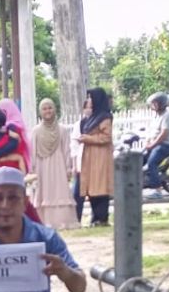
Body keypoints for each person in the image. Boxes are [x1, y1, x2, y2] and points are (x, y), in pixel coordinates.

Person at [32, 98, 76, 229]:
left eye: (50, 108)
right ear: (40, 112)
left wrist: (68, 168)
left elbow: (67, 150)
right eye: (44, 109)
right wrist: (32, 170)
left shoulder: (62, 130)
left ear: (54, 109)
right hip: (42, 167)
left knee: (59, 191)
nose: (48, 111)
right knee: (44, 191)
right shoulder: (36, 131)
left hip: (59, 167)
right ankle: (45, 221)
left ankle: (62, 221)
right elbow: (33, 151)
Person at [78, 87, 114, 225]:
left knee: (100, 187)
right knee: (91, 188)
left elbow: (106, 137)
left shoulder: (105, 117)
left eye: (91, 98)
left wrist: (88, 138)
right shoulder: (92, 117)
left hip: (100, 158)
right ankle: (96, 217)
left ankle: (102, 218)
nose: (89, 101)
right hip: (90, 157)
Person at [142, 92, 169, 200]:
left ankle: (157, 191)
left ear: (161, 104)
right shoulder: (157, 116)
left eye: (155, 103)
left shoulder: (167, 116)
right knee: (139, 160)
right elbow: (152, 132)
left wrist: (152, 144)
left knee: (151, 163)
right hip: (154, 145)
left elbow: (163, 134)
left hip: (163, 145)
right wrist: (147, 141)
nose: (152, 106)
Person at [70, 103, 89, 224]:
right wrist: (74, 165)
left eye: (92, 107)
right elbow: (74, 146)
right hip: (81, 162)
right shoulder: (80, 124)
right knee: (77, 193)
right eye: (88, 107)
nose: (90, 110)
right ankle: (76, 219)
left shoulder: (101, 122)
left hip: (95, 163)